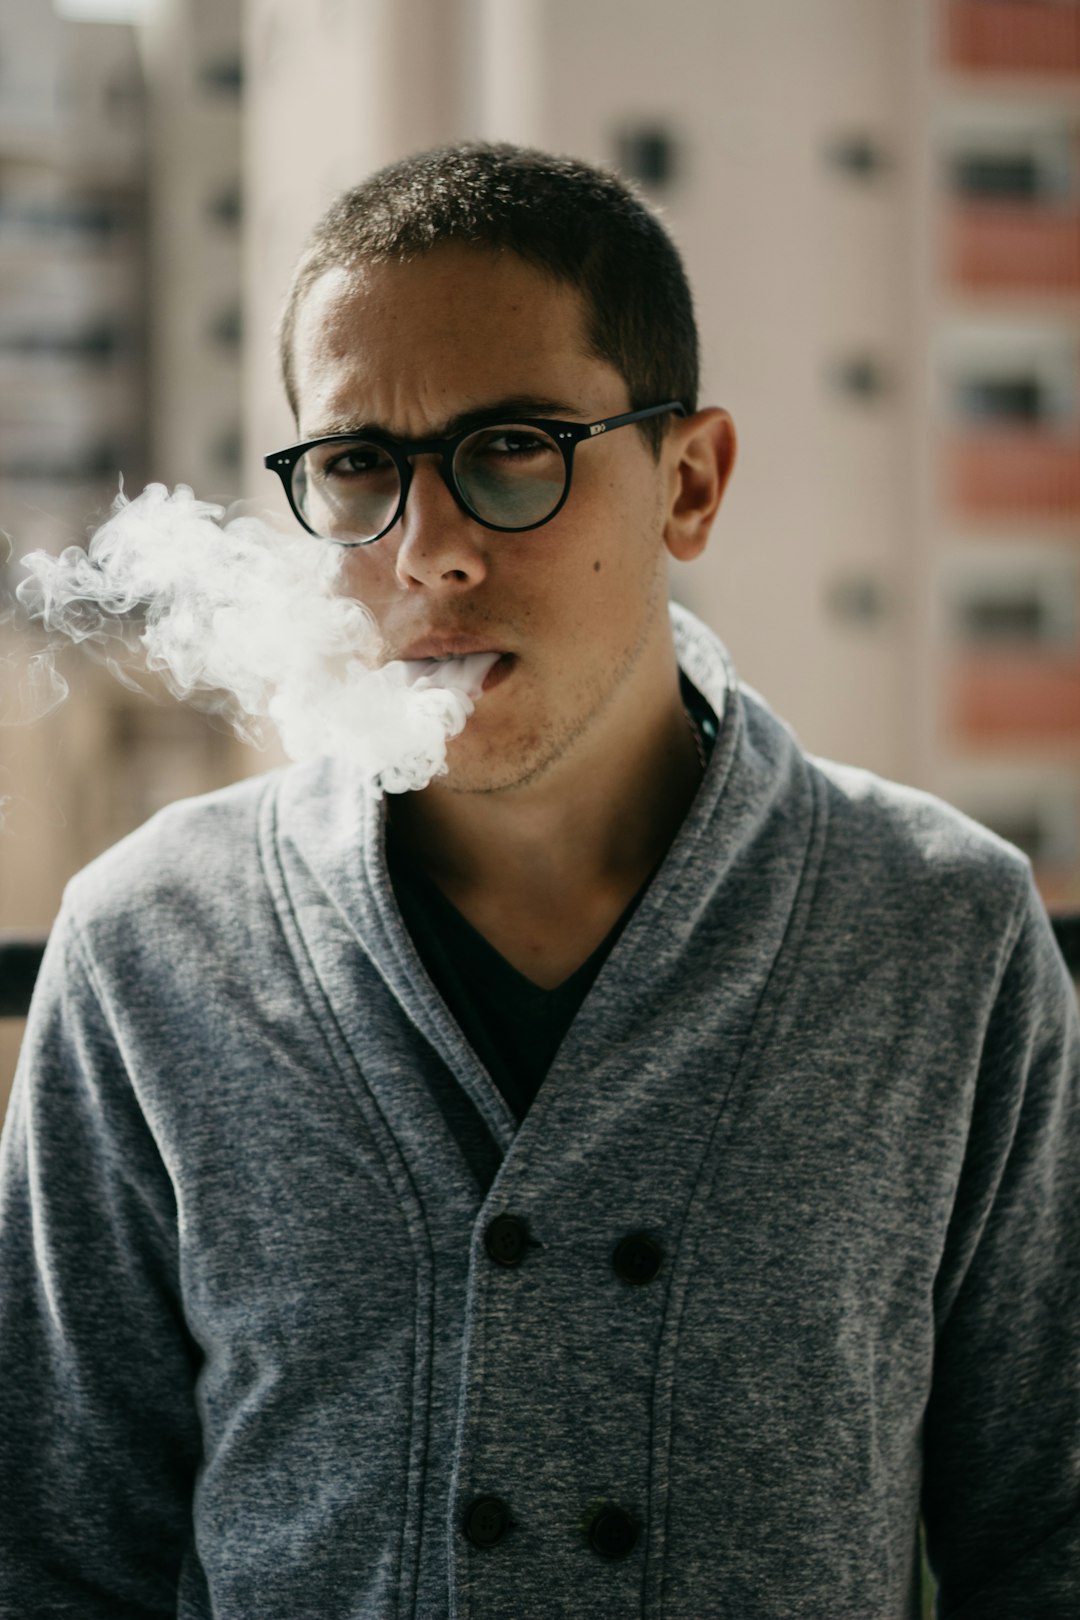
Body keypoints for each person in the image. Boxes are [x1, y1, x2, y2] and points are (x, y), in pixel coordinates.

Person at [0, 142, 1077, 1620]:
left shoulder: (941, 928)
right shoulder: (149, 944)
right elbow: (50, 1554)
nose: (427, 551)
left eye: (515, 447)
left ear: (687, 482)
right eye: (360, 466)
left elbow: (1051, 1532)